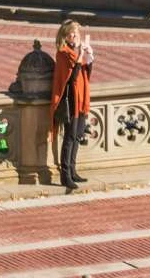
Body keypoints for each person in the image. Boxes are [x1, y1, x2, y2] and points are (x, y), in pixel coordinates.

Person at [51, 20, 94, 192]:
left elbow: (86, 74)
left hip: (82, 98)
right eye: (70, 34)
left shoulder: (77, 52)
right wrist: (80, 57)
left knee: (77, 136)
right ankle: (65, 174)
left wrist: (89, 58)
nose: (74, 36)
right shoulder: (63, 53)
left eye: (76, 34)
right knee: (69, 137)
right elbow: (73, 77)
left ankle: (74, 170)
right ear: (64, 36)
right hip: (70, 100)